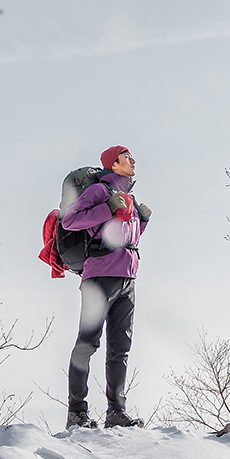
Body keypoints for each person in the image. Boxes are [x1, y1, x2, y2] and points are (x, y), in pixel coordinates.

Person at [61, 145, 151, 429]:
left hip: (127, 279)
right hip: (99, 277)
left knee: (120, 348)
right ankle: (77, 412)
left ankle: (116, 412)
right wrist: (107, 207)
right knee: (87, 344)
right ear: (113, 164)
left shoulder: (131, 199)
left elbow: (123, 236)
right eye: (127, 157)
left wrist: (143, 221)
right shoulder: (100, 191)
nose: (133, 160)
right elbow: (71, 220)